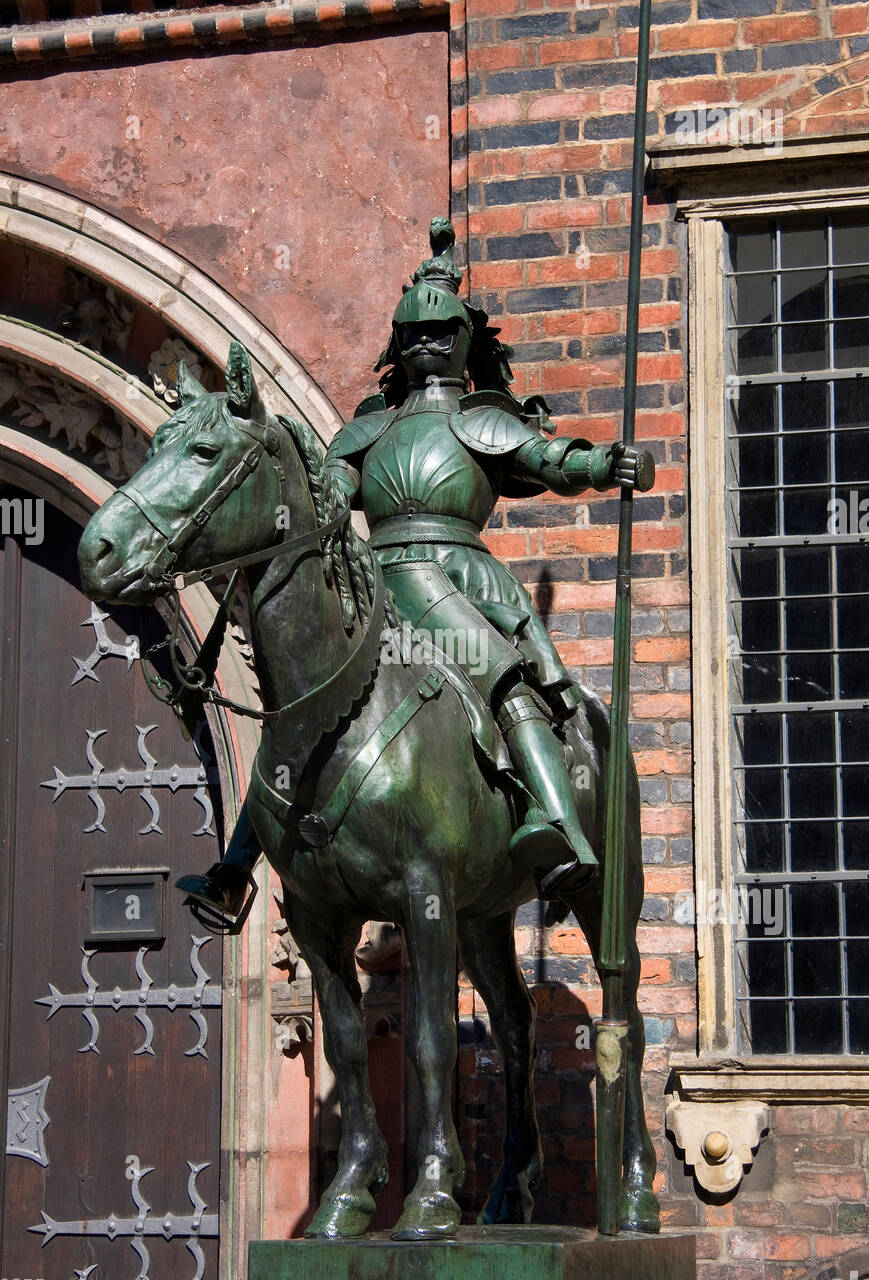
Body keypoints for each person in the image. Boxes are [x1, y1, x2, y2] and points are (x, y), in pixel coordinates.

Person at [177, 218, 654, 920]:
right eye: (413, 335)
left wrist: (602, 463)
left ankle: (556, 828)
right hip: (373, 582)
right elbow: (327, 493)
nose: (425, 344)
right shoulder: (369, 429)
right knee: (302, 711)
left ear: (464, 343)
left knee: (503, 682)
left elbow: (551, 463)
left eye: (440, 334)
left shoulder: (485, 422)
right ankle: (237, 863)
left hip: (456, 577)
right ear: (397, 345)